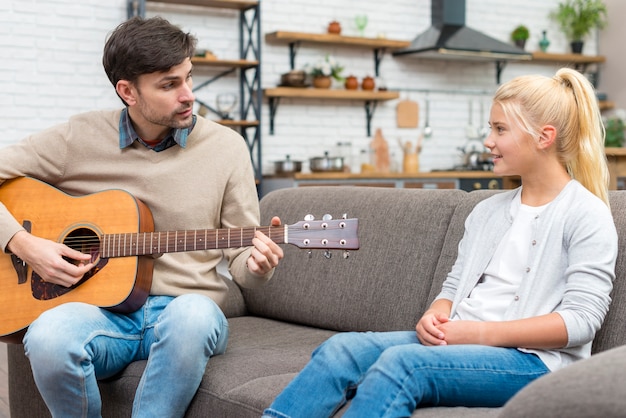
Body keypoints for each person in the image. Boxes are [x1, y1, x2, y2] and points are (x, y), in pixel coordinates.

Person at [262, 67, 618, 418]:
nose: (488, 141)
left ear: (544, 137)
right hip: (458, 340)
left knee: (403, 365)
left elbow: (581, 320)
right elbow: (454, 284)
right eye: (489, 128)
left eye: (499, 129)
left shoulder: (586, 213)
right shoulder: (487, 211)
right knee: (341, 350)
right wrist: (437, 312)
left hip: (533, 361)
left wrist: (478, 333)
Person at [0, 16, 284, 418]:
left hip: (186, 308)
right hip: (101, 314)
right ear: (127, 91)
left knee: (194, 315)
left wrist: (258, 266)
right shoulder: (77, 138)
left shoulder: (227, 148)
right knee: (47, 334)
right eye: (169, 84)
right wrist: (24, 244)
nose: (188, 95)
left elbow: (241, 259)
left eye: (188, 77)